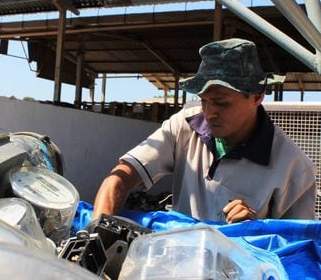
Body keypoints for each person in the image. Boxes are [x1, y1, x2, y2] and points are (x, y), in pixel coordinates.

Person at [92, 38, 317, 223]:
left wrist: (255, 229)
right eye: (203, 101)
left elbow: (298, 254)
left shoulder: (295, 169)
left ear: (257, 97)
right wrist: (97, 233)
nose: (209, 113)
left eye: (221, 103)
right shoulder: (184, 126)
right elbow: (120, 177)